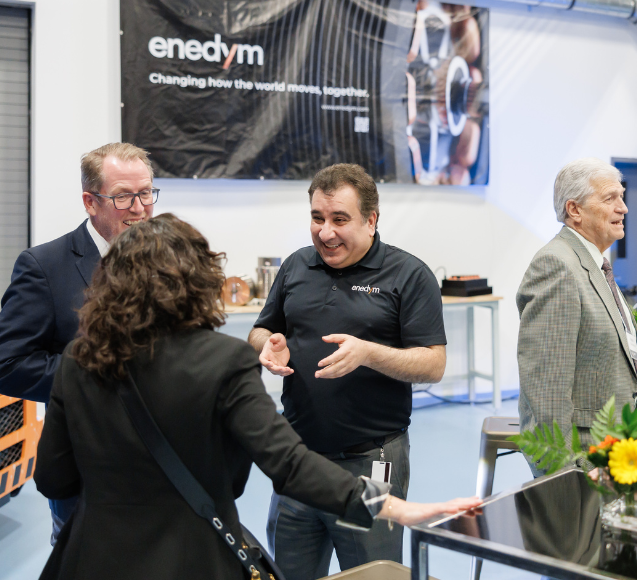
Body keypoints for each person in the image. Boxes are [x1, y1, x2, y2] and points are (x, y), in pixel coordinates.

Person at [33, 214, 479, 580]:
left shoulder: (79, 359)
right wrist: (395, 507)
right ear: (198, 280)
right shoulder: (223, 361)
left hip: (92, 557)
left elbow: (53, 478)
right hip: (192, 558)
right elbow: (288, 464)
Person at [247, 163, 447, 577]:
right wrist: (266, 345)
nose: (325, 232)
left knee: (373, 570)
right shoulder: (297, 266)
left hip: (372, 460)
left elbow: (433, 363)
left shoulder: (408, 275)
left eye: (340, 220)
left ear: (371, 220)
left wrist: (369, 353)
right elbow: (262, 328)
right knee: (288, 570)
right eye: (317, 218)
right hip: (298, 458)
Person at [0, 142, 157, 542]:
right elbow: (10, 364)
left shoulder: (164, 260)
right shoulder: (44, 266)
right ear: (90, 201)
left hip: (161, 461)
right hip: (87, 467)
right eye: (123, 196)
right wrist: (104, 375)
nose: (139, 208)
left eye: (146, 193)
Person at [516, 157, 637, 476]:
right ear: (574, 210)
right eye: (610, 198)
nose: (623, 208)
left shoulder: (593, 265)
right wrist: (566, 470)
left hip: (617, 450)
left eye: (622, 197)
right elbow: (546, 387)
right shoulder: (556, 267)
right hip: (584, 463)